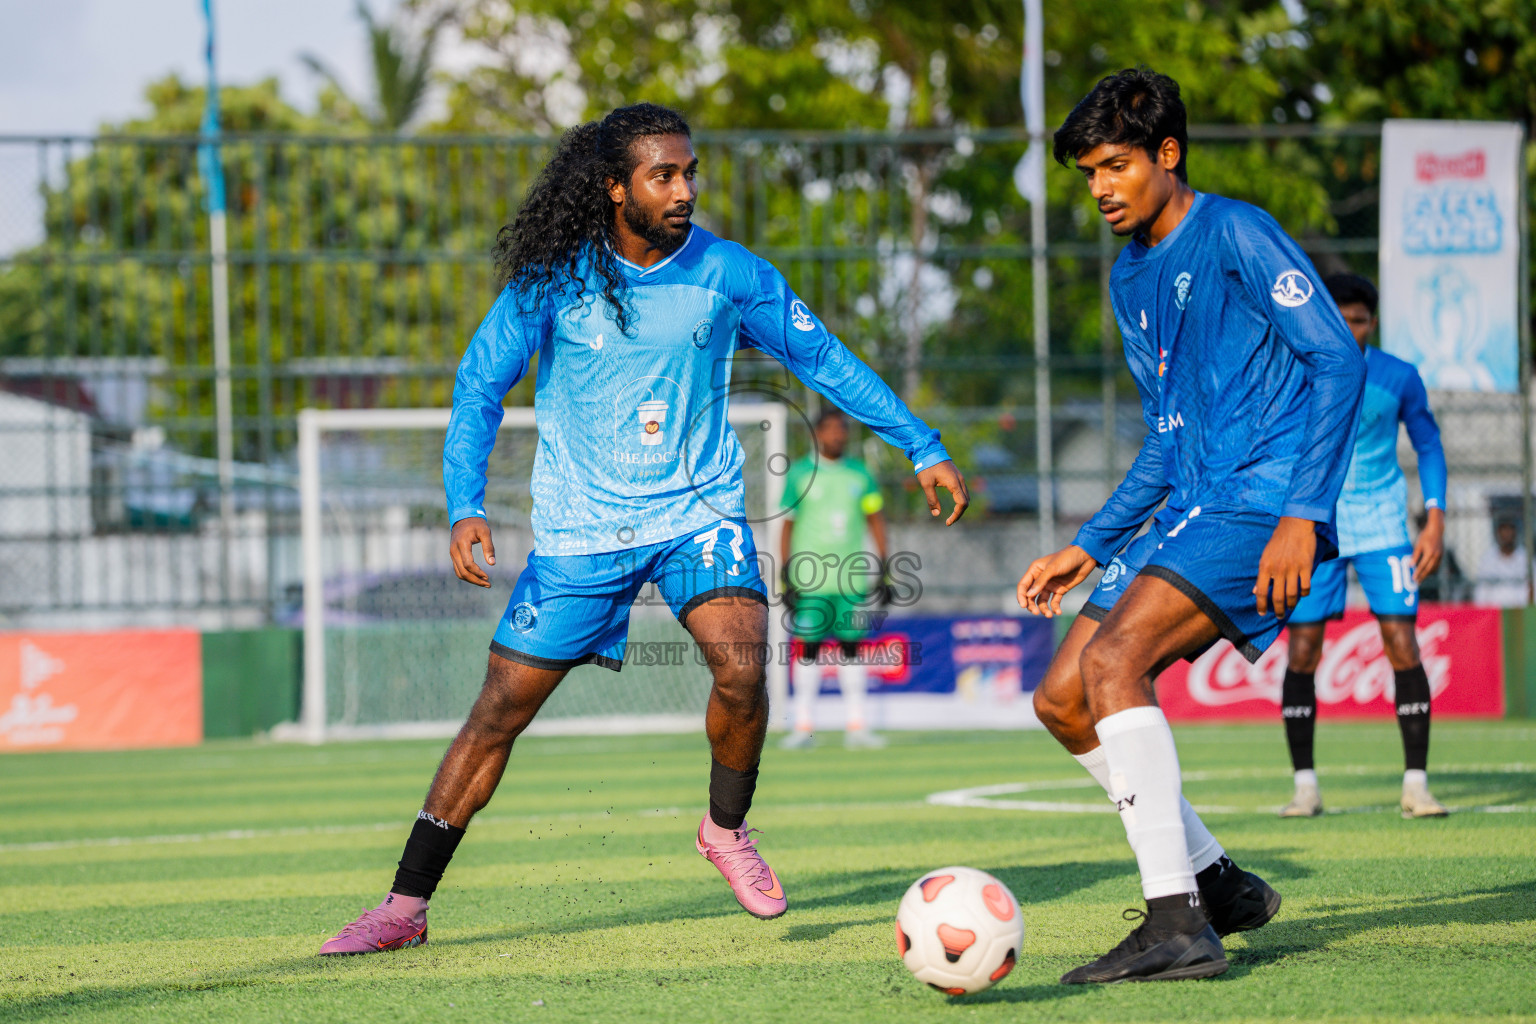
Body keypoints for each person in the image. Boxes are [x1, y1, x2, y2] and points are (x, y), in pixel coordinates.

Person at [317, 103, 969, 956]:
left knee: (743, 662)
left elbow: (826, 360)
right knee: (498, 714)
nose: (684, 189)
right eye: (664, 175)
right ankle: (403, 907)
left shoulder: (730, 273)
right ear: (613, 186)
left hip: (697, 512)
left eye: (690, 172)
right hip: (582, 526)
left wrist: (920, 444)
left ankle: (726, 830)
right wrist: (464, 501)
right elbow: (480, 386)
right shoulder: (553, 280)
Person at [1016, 69, 1364, 984]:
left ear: (1168, 155)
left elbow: (1337, 360)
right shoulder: (1131, 277)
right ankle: (1221, 886)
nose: (1099, 187)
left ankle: (1176, 921)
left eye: (1115, 166)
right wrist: (1089, 544)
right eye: (1088, 172)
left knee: (1110, 664)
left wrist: (1305, 513)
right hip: (1193, 504)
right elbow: (1168, 442)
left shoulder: (1238, 231)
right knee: (1061, 698)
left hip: (1262, 503)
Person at [1279, 273, 1449, 820]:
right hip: (1316, 526)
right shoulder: (1297, 371)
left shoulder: (1398, 376)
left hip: (1382, 525)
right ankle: (1305, 787)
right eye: (1341, 317)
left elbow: (1428, 443)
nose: (1350, 328)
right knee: (1303, 649)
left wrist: (1436, 520)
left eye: (1359, 319)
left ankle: (1416, 785)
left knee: (1402, 642)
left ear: (1373, 323)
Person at [778, 407, 890, 749]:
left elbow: (875, 519)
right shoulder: (799, 474)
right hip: (810, 581)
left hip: (850, 580)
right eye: (830, 430)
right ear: (818, 434)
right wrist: (786, 576)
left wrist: (884, 570)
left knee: (851, 649)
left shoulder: (860, 474)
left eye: (842, 429)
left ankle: (857, 727)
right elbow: (787, 524)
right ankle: (803, 727)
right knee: (808, 649)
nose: (837, 435)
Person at [1475, 517, 1531, 607]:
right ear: (1498, 533)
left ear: (1516, 532)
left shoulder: (1526, 558)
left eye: (1510, 529)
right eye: (1504, 529)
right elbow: (1481, 590)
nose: (1507, 533)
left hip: (1520, 611)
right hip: (1494, 612)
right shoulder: (1488, 559)